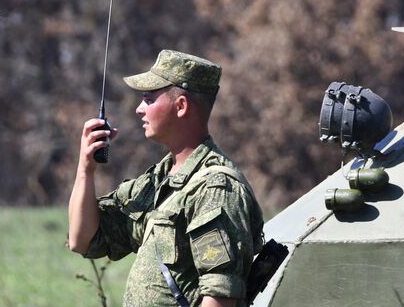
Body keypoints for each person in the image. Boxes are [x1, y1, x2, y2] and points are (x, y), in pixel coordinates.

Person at [68, 49, 264, 307]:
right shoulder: (159, 181)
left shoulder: (216, 188)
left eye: (149, 99)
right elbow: (82, 240)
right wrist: (86, 170)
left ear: (181, 106)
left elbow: (220, 296)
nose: (139, 109)